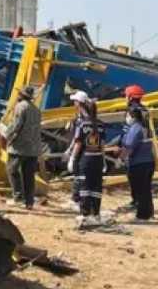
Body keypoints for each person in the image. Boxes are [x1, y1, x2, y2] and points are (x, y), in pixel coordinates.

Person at [68, 93, 106, 227]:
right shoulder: (101, 124)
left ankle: (84, 214)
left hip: (86, 159)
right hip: (98, 159)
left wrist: (72, 158)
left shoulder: (83, 124)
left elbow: (78, 143)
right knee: (96, 187)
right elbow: (102, 145)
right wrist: (104, 160)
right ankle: (95, 213)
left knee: (85, 186)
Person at [4, 86, 42, 209]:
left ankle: (18, 197)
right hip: (33, 148)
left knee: (12, 170)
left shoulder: (21, 106)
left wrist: (6, 135)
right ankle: (29, 202)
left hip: (19, 147)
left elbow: (16, 125)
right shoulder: (36, 109)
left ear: (21, 95)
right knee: (29, 175)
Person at [120, 104, 156, 221]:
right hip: (149, 161)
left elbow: (129, 147)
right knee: (146, 189)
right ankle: (149, 213)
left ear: (131, 116)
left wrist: (120, 158)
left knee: (139, 190)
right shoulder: (146, 128)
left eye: (127, 115)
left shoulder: (135, 128)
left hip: (138, 163)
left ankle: (142, 215)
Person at [65, 91, 92, 213]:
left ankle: (77, 200)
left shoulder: (85, 118)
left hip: (82, 151)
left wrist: (71, 154)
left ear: (79, 103)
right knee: (78, 175)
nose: (73, 103)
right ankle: (76, 199)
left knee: (79, 176)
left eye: (75, 101)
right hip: (81, 149)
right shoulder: (81, 116)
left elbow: (79, 139)